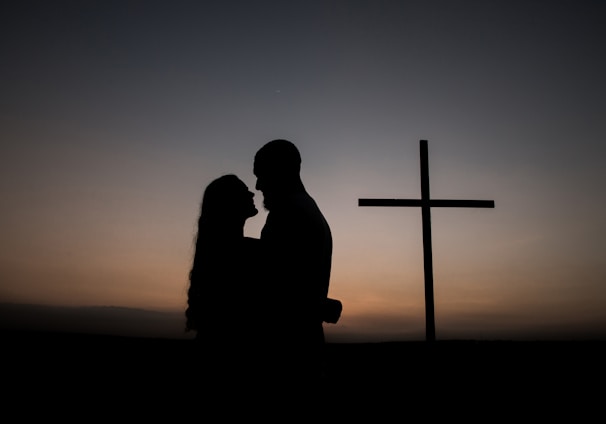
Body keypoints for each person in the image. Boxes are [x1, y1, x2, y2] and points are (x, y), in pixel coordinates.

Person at [253, 139, 334, 384]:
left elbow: (275, 285)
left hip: (288, 355)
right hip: (303, 348)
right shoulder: (305, 208)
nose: (257, 186)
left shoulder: (290, 214)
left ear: (282, 171)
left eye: (262, 175)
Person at [185, 173, 269, 381]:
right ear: (229, 203)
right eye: (243, 191)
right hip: (234, 360)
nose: (252, 192)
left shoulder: (218, 251)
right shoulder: (243, 252)